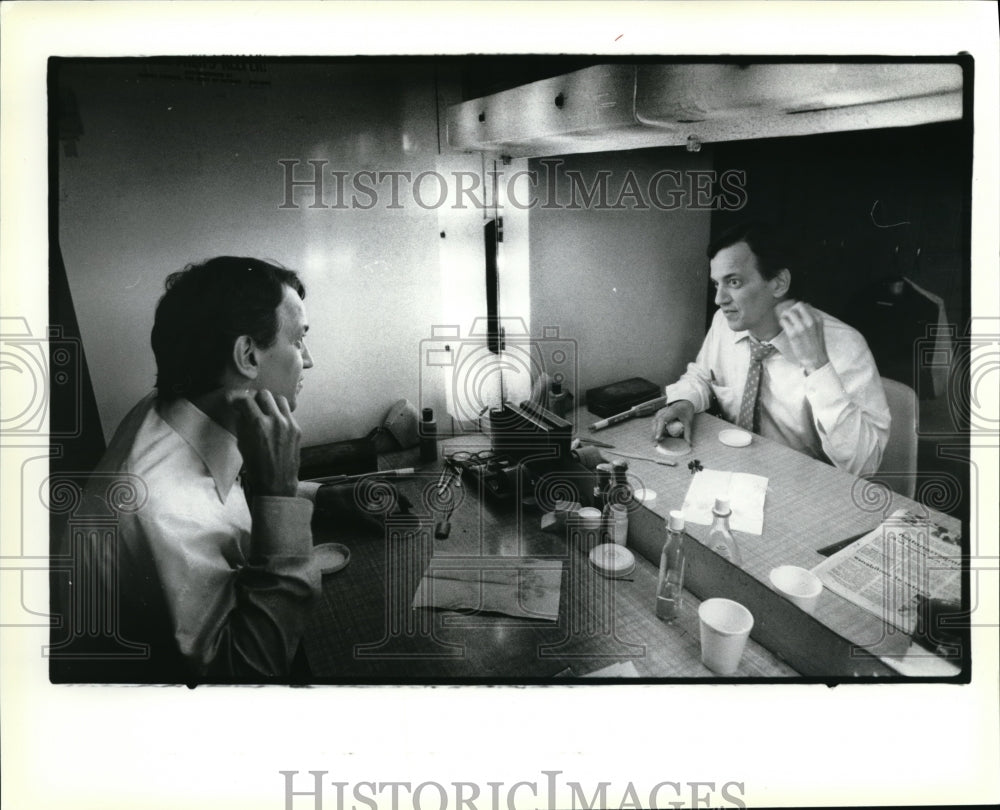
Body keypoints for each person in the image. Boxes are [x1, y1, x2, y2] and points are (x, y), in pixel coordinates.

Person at [71, 257, 323, 682]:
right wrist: (280, 496)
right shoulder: (160, 506)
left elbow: (229, 493)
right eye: (299, 341)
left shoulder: (178, 409)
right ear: (246, 355)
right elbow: (247, 673)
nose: (309, 360)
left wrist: (319, 497)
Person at [652, 222, 890, 477]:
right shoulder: (725, 323)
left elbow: (864, 466)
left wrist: (818, 365)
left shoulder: (845, 345)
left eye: (733, 282)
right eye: (716, 285)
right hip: (736, 471)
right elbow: (702, 375)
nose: (719, 299)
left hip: (810, 487)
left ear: (779, 283)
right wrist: (684, 402)